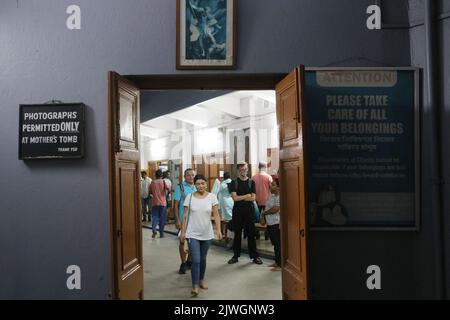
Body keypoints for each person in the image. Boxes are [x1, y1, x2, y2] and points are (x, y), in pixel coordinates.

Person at [180, 174, 222, 297]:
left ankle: (201, 279)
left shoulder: (212, 197)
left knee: (203, 259)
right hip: (192, 233)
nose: (200, 186)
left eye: (202, 183)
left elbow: (216, 215)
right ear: (195, 185)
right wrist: (183, 232)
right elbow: (184, 216)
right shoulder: (189, 197)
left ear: (206, 184)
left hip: (207, 234)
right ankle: (195, 285)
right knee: (196, 260)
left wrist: (218, 230)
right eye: (198, 184)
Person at [227, 162, 263, 265]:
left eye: (246, 169)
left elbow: (253, 198)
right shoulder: (234, 183)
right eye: (242, 169)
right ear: (238, 170)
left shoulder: (252, 182)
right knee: (237, 234)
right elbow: (234, 198)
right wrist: (246, 195)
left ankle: (255, 257)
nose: (244, 171)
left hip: (249, 211)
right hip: (237, 211)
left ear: (248, 169)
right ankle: (235, 256)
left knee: (251, 234)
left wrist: (242, 197)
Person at [174, 168, 197, 274]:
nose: (191, 177)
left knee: (193, 242)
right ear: (184, 176)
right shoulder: (181, 187)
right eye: (188, 175)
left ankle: (189, 261)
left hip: (196, 220)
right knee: (182, 242)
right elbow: (176, 205)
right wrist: (177, 220)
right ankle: (183, 263)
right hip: (184, 220)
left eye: (192, 175)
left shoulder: (198, 186)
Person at [261, 179, 281, 271]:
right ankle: (277, 262)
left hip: (276, 223)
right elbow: (267, 208)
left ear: (278, 187)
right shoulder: (271, 196)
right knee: (274, 243)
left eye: (273, 185)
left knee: (278, 244)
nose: (270, 186)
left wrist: (264, 213)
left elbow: (275, 209)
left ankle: (280, 264)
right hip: (270, 223)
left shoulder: (279, 197)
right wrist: (263, 216)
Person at [252, 162, 273, 240]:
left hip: (256, 200)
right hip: (266, 201)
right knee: (267, 218)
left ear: (259, 167)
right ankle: (267, 235)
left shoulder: (253, 177)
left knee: (256, 218)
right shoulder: (268, 177)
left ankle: (257, 235)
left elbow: (252, 190)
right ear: (265, 167)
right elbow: (272, 188)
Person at [149, 169, 169, 239]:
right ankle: (161, 234)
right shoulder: (163, 181)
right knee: (162, 219)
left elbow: (150, 192)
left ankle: (154, 230)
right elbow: (167, 189)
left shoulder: (152, 182)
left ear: (155, 175)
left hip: (155, 202)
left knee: (155, 217)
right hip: (163, 203)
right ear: (161, 175)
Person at [218, 172, 233, 244]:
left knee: (226, 220)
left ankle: (226, 235)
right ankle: (230, 236)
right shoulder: (232, 182)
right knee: (231, 218)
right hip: (231, 200)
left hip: (224, 202)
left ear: (224, 177)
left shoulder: (223, 184)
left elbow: (218, 191)